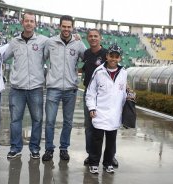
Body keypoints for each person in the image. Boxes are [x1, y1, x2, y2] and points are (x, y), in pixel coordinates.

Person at [3, 12, 48, 159]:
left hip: (35, 88)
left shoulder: (43, 41)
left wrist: (75, 38)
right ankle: (15, 147)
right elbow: (2, 57)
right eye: (26, 21)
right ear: (22, 23)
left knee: (37, 119)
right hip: (17, 88)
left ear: (35, 24)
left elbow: (58, 47)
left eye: (32, 21)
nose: (29, 23)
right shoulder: (14, 41)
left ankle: (34, 148)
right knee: (16, 120)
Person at [42, 15, 86, 161]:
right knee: (50, 121)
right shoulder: (50, 42)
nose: (66, 29)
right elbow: (43, 59)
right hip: (53, 88)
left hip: (70, 89)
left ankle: (63, 148)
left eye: (69, 27)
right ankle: (49, 149)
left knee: (68, 121)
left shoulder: (78, 44)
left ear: (72, 27)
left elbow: (88, 58)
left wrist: (82, 41)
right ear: (59, 26)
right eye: (64, 26)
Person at [86, 44, 127, 174]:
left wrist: (127, 105)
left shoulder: (124, 73)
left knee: (111, 141)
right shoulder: (99, 71)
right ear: (107, 56)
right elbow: (90, 93)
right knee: (96, 140)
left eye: (116, 56)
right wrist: (91, 108)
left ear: (120, 58)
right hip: (100, 112)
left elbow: (123, 92)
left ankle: (108, 163)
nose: (113, 59)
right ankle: (93, 163)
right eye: (111, 56)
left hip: (115, 114)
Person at [82, 29, 119, 167]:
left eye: (95, 36)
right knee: (90, 127)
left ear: (100, 38)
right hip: (90, 94)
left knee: (110, 127)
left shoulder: (106, 54)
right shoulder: (86, 54)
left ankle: (111, 157)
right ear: (87, 38)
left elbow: (118, 70)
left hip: (105, 95)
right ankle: (91, 155)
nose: (93, 38)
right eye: (90, 36)